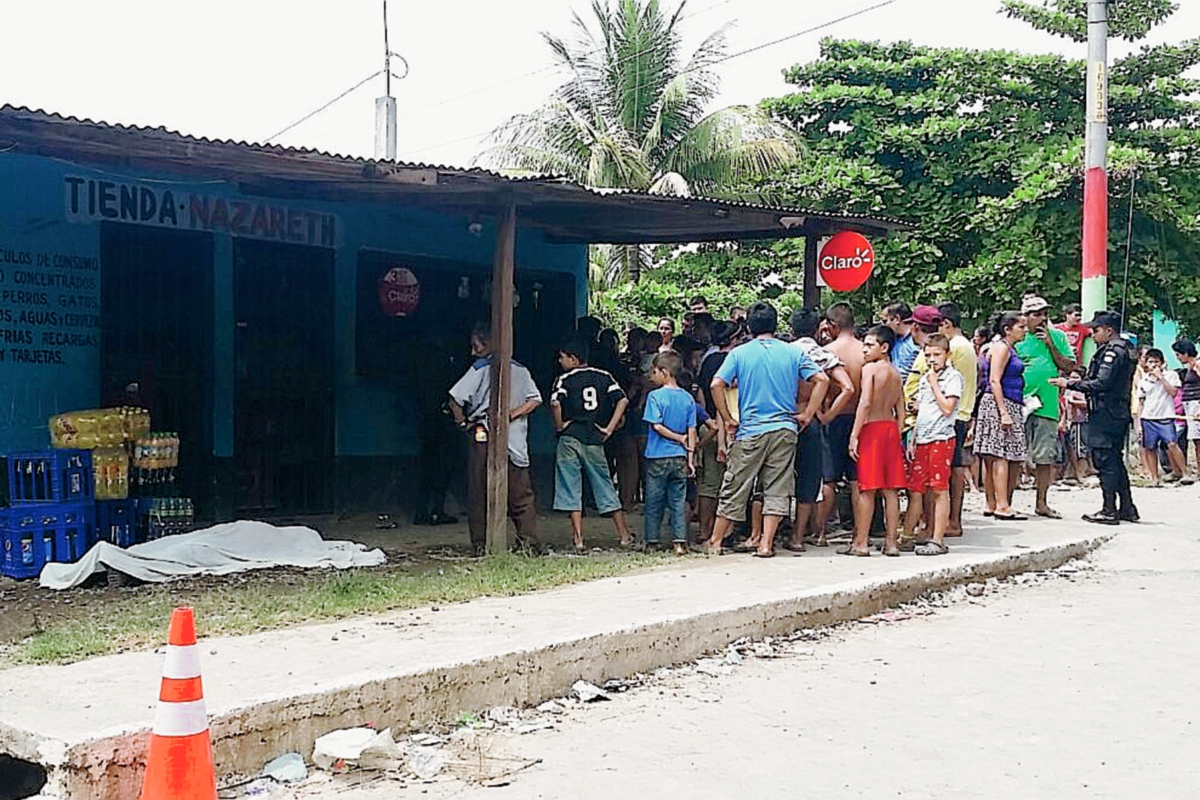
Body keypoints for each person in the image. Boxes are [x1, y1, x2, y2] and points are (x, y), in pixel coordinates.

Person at [708, 302, 828, 557]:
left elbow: (716, 384)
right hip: (785, 428)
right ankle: (766, 544)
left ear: (749, 326)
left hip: (751, 429)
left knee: (736, 483)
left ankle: (716, 541)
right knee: (777, 486)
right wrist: (807, 413)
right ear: (776, 325)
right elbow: (822, 379)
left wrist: (728, 418)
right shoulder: (792, 352)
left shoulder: (740, 354)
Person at [448, 324, 542, 555]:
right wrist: (512, 414)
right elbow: (535, 399)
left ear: (489, 344)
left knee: (479, 491)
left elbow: (454, 399)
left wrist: (462, 424)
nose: (473, 352)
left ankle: (482, 545)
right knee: (521, 493)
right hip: (516, 440)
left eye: (475, 346)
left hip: (483, 434)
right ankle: (529, 543)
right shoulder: (521, 369)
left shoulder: (479, 368)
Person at [1052, 311, 1138, 525]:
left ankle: (1109, 510)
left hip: (1106, 412)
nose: (1092, 334)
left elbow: (1102, 384)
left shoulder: (1113, 352)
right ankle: (1126, 507)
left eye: (1096, 330)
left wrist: (1070, 384)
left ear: (1109, 330)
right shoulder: (1124, 348)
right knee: (1115, 461)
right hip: (1116, 412)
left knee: (1104, 461)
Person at [550, 336, 634, 550]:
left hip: (570, 436)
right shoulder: (603, 376)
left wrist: (560, 427)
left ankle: (578, 538)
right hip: (595, 436)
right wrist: (609, 427)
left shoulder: (564, 379)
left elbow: (555, 403)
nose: (560, 361)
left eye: (562, 357)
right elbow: (623, 400)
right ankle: (624, 534)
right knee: (604, 484)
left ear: (574, 359)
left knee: (571, 486)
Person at [787, 308, 855, 551]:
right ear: (817, 328)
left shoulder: (785, 352)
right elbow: (847, 388)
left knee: (775, 479)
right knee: (810, 479)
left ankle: (766, 534)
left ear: (792, 328)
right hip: (811, 419)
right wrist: (825, 415)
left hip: (784, 418)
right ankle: (802, 535)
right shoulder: (821, 354)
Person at [845, 325, 906, 557]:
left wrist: (854, 434)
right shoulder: (895, 373)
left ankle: (861, 542)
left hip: (872, 428)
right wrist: (897, 434)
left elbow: (866, 402)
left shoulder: (870, 370)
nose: (864, 350)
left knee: (867, 489)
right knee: (891, 490)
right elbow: (901, 411)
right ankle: (891, 542)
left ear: (884, 347)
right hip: (890, 428)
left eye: (870, 345)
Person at [1014, 295, 1076, 519]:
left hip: (1046, 404)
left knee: (1045, 456)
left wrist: (1050, 344)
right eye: (1035, 314)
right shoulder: (1016, 335)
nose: (1040, 319)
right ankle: (1008, 501)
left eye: (1044, 314)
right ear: (1025, 317)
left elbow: (1069, 366)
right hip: (1019, 401)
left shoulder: (1057, 336)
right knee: (1014, 454)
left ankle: (1041, 502)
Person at [903, 334, 964, 557]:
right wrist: (913, 438)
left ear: (947, 355)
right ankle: (908, 534)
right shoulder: (925, 378)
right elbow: (924, 410)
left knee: (939, 489)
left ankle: (938, 539)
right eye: (927, 355)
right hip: (923, 438)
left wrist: (934, 384)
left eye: (936, 355)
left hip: (941, 437)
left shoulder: (952, 378)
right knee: (916, 488)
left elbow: (948, 408)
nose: (931, 359)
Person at [642, 351, 698, 555]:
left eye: (654, 371)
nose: (651, 375)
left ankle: (652, 541)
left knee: (654, 500)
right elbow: (692, 430)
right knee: (678, 500)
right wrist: (690, 457)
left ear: (664, 372)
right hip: (680, 457)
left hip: (657, 456)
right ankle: (680, 542)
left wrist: (677, 437)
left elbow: (656, 426)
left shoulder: (654, 396)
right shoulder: (687, 398)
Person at [975, 311, 1029, 521]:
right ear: (1008, 329)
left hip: (1007, 402)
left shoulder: (1007, 348)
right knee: (1000, 455)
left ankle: (993, 502)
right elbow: (995, 380)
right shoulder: (1001, 348)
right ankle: (1002, 504)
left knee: (995, 455)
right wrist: (1004, 412)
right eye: (1020, 327)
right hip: (1001, 403)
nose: (1024, 331)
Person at [820, 302, 865, 541]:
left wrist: (826, 414)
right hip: (859, 418)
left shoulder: (829, 352)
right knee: (858, 479)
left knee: (829, 478)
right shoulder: (865, 351)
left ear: (834, 325)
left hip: (835, 418)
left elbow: (823, 387)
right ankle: (860, 530)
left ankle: (820, 531)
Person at [695, 321, 737, 544]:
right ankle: (724, 531)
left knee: (708, 484)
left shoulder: (708, 360)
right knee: (730, 482)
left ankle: (704, 529)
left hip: (708, 421)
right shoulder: (736, 361)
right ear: (734, 339)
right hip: (730, 423)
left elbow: (702, 391)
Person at [1135, 348, 1190, 485]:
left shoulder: (1171, 375)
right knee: (1150, 447)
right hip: (1148, 417)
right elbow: (1141, 403)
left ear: (1162, 363)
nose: (1154, 365)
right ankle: (1154, 478)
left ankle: (1184, 473)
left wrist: (1161, 377)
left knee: (1172, 444)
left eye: (1156, 362)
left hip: (1165, 416)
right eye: (1151, 362)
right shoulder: (1143, 381)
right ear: (1146, 363)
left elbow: (1173, 392)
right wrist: (1139, 423)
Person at [1171, 339, 1200, 478]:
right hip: (1189, 404)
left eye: (1178, 354)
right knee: (1195, 439)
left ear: (1186, 353)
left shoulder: (1197, 364)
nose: (1177, 358)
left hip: (1196, 404)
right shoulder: (1190, 366)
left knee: (1198, 439)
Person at [881, 302, 920, 381]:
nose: (883, 325)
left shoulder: (917, 339)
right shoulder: (893, 340)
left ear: (897, 319)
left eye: (885, 321)